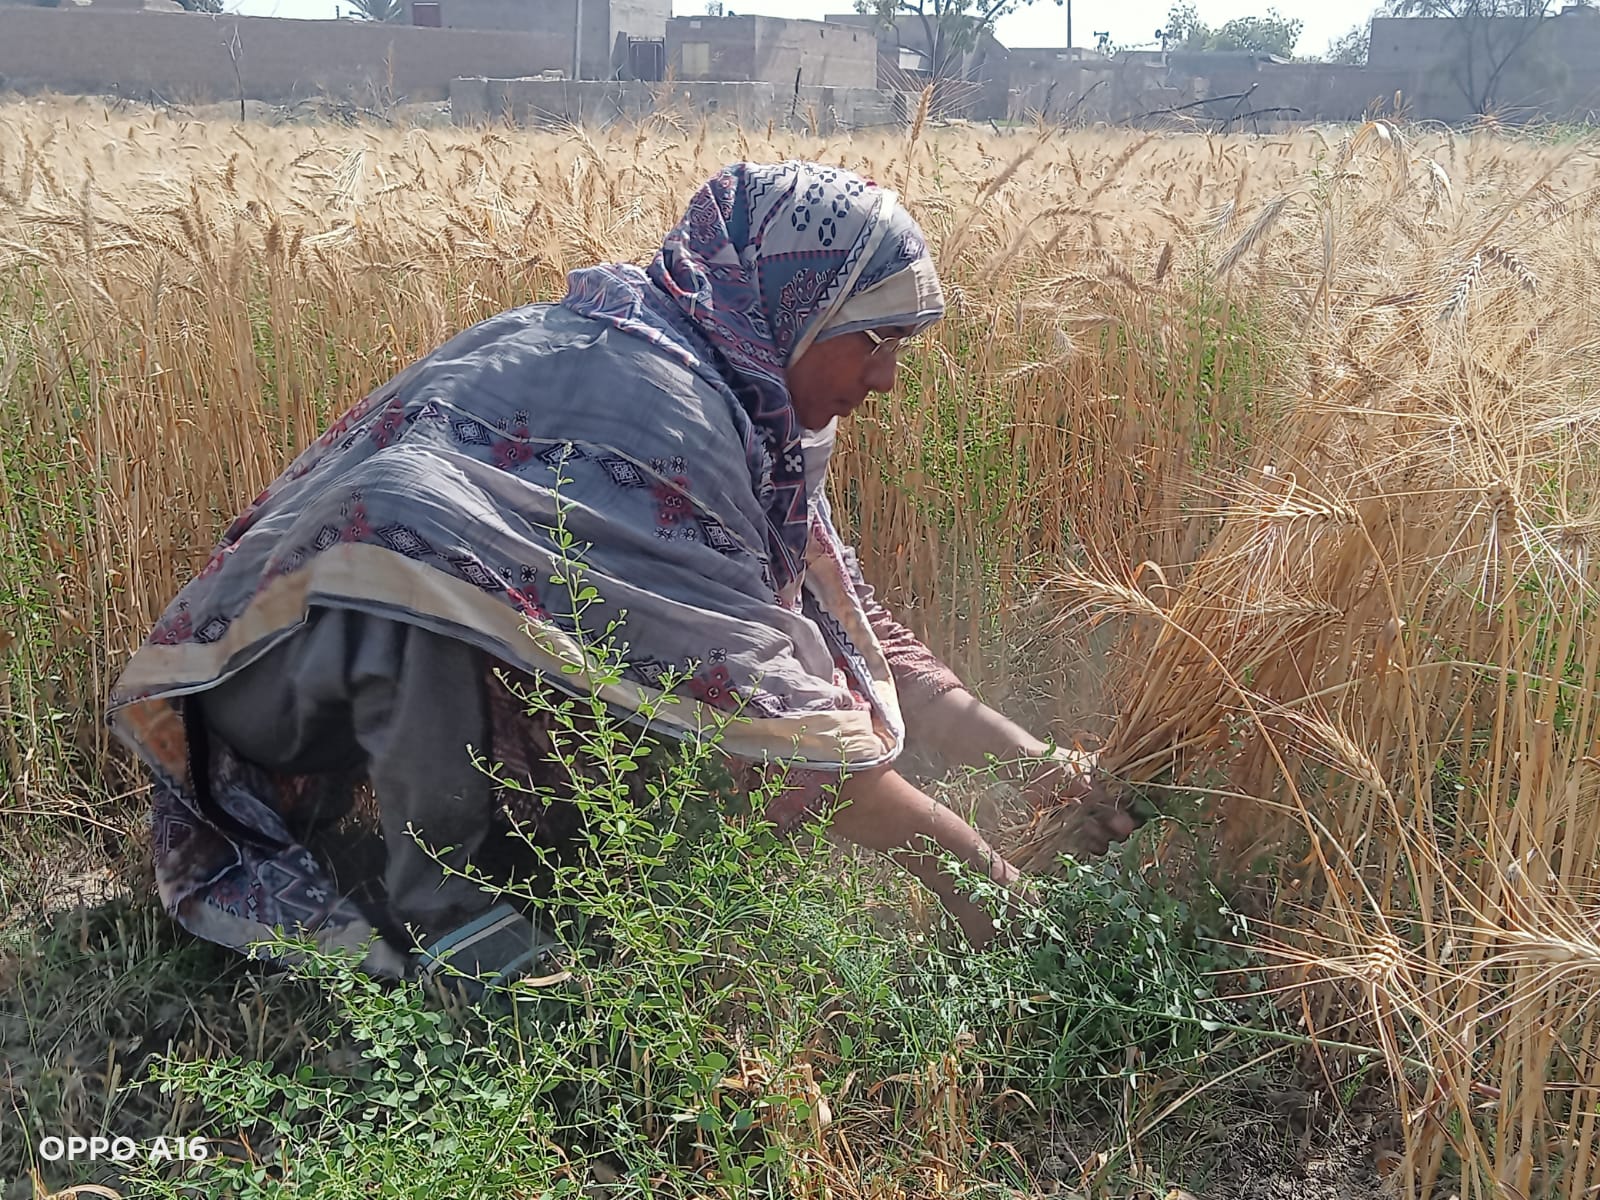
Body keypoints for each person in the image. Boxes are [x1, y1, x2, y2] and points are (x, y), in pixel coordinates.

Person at [109, 161, 1135, 988]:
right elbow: (764, 708)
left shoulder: (740, 400)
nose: (887, 378)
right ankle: (446, 909)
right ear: (791, 311)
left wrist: (1029, 758)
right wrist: (980, 880)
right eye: (870, 341)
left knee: (584, 665)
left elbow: (844, 622)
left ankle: (512, 855)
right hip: (274, 685)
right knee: (427, 563)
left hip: (365, 672)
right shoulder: (651, 402)